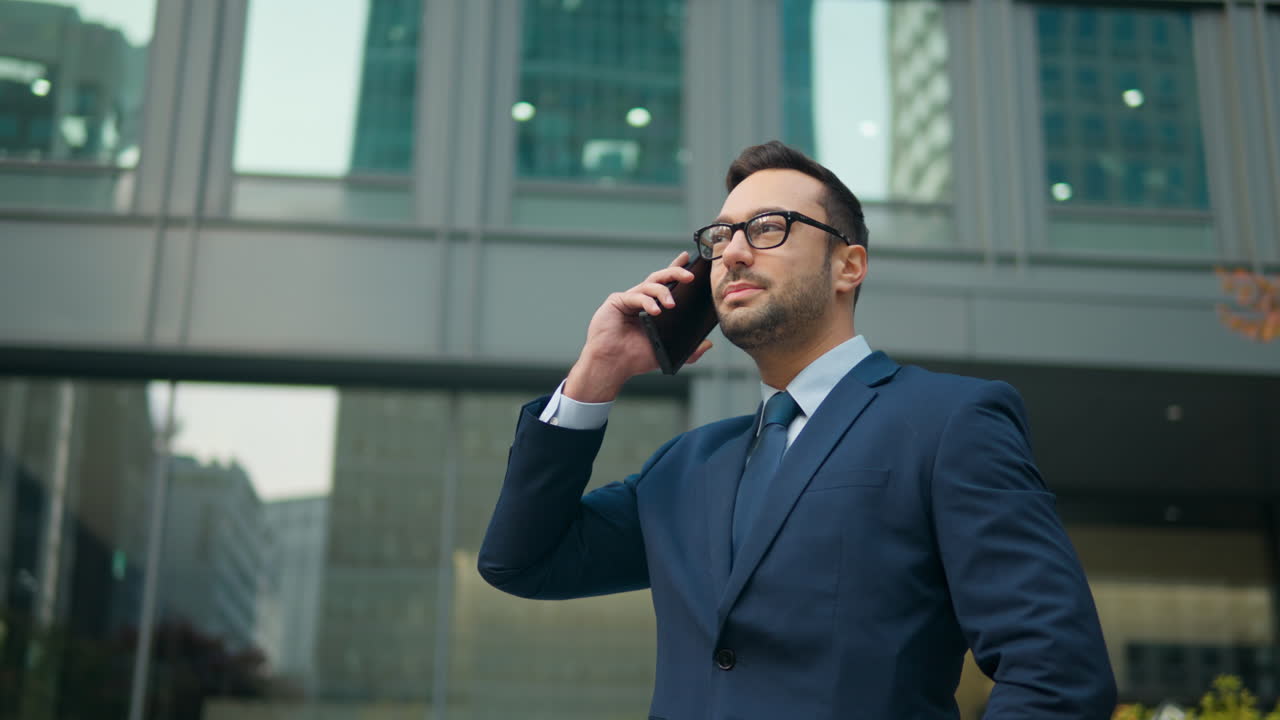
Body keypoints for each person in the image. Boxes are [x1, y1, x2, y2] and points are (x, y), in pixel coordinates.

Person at [478, 141, 1116, 719]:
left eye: (768, 227)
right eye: (721, 236)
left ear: (849, 266)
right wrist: (597, 373)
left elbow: (1055, 673)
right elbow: (522, 562)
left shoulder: (948, 422)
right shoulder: (686, 465)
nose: (732, 252)